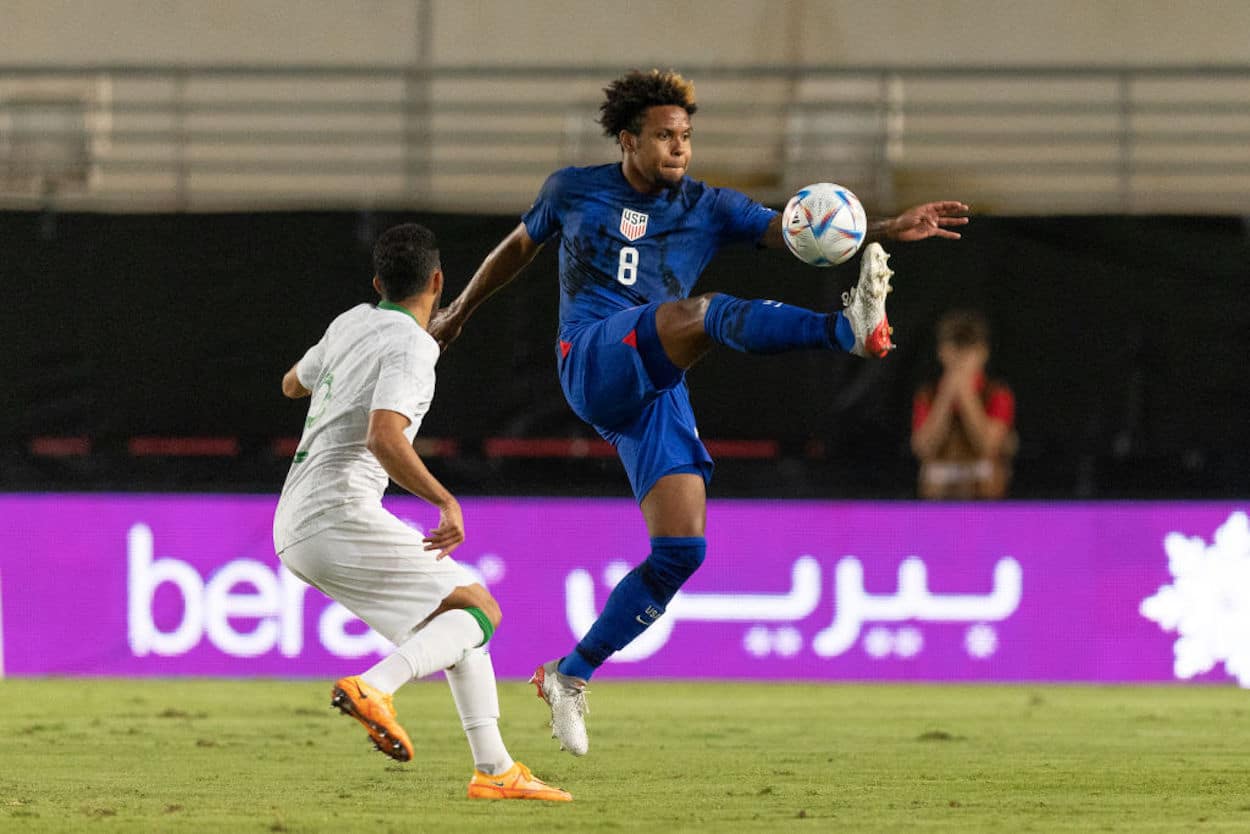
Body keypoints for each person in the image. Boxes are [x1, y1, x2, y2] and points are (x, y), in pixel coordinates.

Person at [429, 69, 969, 756]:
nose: (680, 149)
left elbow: (796, 233)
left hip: (653, 387)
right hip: (593, 356)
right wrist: (457, 312)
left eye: (685, 136)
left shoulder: (706, 206)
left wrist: (882, 228)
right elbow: (517, 250)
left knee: (682, 549)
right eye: (664, 136)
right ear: (627, 140)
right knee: (703, 314)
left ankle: (569, 674)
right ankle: (845, 331)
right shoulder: (573, 189)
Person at [272, 223, 571, 802]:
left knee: (456, 625)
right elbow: (385, 437)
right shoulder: (412, 347)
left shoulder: (349, 323)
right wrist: (444, 499)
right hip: (336, 511)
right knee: (482, 608)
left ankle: (496, 770)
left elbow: (291, 385)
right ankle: (375, 687)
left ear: (378, 281)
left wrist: (344, 373)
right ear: (438, 281)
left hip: (298, 518)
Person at [910, 309, 1016, 499]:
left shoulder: (997, 393)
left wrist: (966, 394)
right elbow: (923, 448)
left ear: (983, 352)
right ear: (941, 351)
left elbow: (988, 446)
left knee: (990, 473)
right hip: (942, 480)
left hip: (982, 482)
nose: (961, 356)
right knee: (931, 475)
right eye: (955, 346)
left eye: (968, 347)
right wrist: (947, 394)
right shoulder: (928, 395)